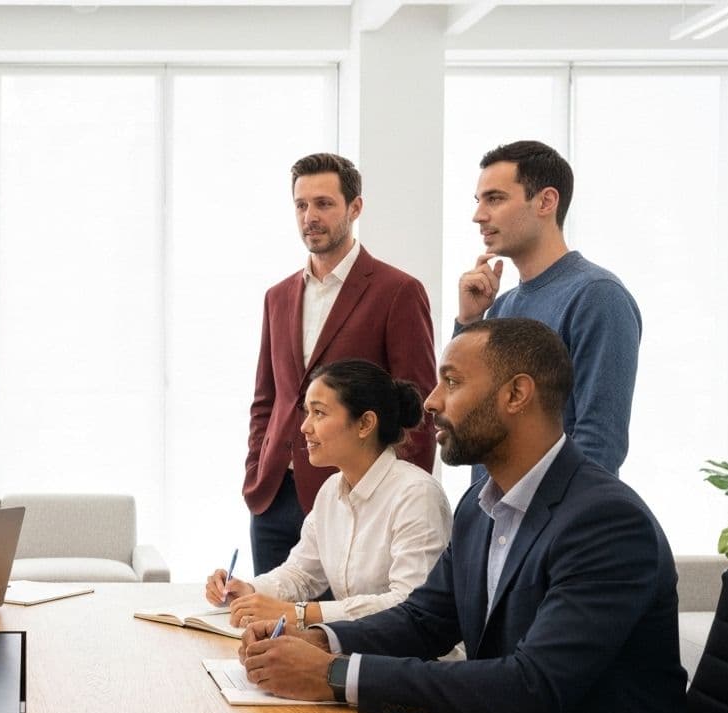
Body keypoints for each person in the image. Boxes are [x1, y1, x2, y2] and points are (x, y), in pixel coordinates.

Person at [238, 318, 691, 713]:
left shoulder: (605, 521)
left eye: (451, 382)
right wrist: (316, 640)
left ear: (516, 394)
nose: (432, 401)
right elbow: (425, 619)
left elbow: (535, 686)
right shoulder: (479, 504)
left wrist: (335, 675)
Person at [245, 153, 437, 575]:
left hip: (357, 503)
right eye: (301, 205)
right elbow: (269, 398)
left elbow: (421, 406)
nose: (310, 216)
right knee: (268, 626)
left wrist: (401, 500)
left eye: (324, 204)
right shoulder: (278, 296)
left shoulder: (397, 291)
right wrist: (257, 469)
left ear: (355, 207)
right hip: (274, 496)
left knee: (339, 633)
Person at [211, 359, 450, 632]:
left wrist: (300, 613)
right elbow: (301, 574)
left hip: (416, 663)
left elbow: (408, 603)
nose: (304, 427)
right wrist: (248, 590)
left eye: (319, 413)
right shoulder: (330, 491)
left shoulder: (416, 494)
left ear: (365, 424)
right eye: (306, 412)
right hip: (360, 652)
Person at [457, 139, 640, 475]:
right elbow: (467, 414)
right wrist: (470, 321)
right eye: (479, 201)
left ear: (546, 201)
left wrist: (552, 521)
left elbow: (601, 439)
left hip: (557, 520)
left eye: (494, 199)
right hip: (495, 516)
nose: (478, 216)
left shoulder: (597, 295)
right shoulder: (501, 307)